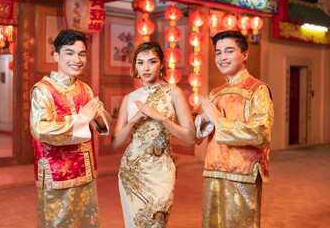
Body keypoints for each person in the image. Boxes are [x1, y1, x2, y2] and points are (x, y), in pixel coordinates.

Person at [30, 29, 112, 228]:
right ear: (56, 55)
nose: (77, 59)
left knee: (87, 223)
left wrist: (98, 116)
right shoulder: (43, 90)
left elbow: (100, 125)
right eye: (69, 53)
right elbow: (41, 129)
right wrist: (81, 119)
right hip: (56, 174)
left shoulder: (85, 88)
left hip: (85, 171)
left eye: (81, 54)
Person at [111, 41, 195, 227]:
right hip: (131, 171)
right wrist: (132, 121)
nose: (146, 68)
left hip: (161, 172)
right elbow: (116, 142)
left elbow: (190, 138)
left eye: (152, 62)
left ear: (162, 64)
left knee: (156, 223)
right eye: (140, 62)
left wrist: (162, 118)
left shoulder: (174, 93)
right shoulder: (129, 98)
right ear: (135, 66)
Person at [195, 30, 274, 228]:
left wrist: (219, 121)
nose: (222, 58)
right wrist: (203, 119)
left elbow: (261, 132)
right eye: (218, 52)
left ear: (245, 54)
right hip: (213, 171)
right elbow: (197, 129)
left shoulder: (258, 90)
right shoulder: (216, 93)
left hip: (242, 174)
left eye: (229, 51)